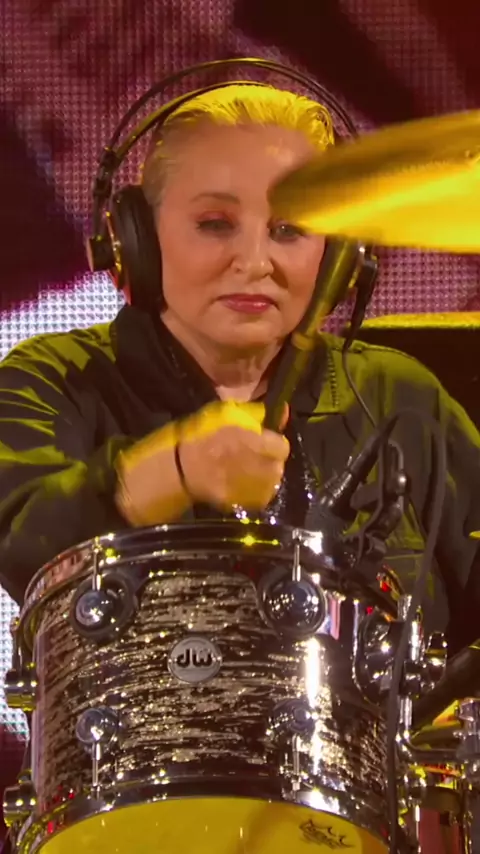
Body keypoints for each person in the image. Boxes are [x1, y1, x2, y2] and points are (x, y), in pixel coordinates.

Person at [0, 82, 479, 659]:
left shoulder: (399, 397)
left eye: (289, 230)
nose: (255, 262)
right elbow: (23, 548)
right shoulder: (54, 378)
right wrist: (173, 471)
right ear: (135, 240)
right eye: (215, 223)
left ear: (340, 257)